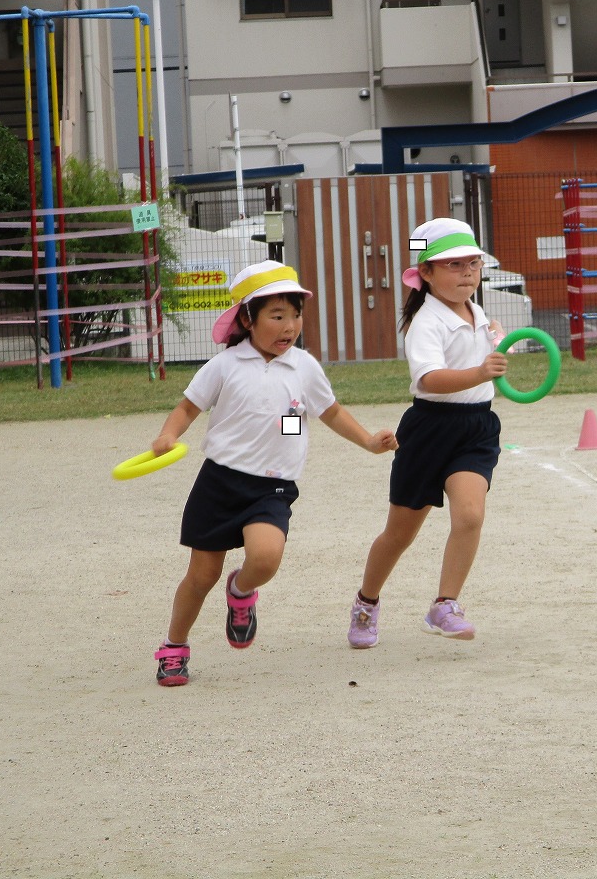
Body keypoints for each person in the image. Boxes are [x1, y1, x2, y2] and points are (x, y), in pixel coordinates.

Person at [151, 261, 398, 687]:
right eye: (277, 316)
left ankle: (241, 592)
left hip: (273, 485)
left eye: (296, 315)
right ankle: (174, 646)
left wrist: (369, 442)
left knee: (265, 559)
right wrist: (168, 435)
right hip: (219, 482)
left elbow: (331, 412)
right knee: (200, 577)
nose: (290, 326)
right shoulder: (226, 365)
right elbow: (189, 406)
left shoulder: (303, 367)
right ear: (247, 318)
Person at [346, 218, 509, 649]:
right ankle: (366, 602)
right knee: (400, 533)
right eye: (453, 265)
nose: (467, 272)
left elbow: (481, 361)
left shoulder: (477, 312)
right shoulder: (425, 322)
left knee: (470, 516)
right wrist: (479, 370)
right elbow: (429, 380)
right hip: (429, 428)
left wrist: (494, 345)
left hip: (477, 427)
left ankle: (445, 604)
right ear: (427, 275)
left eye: (472, 263)